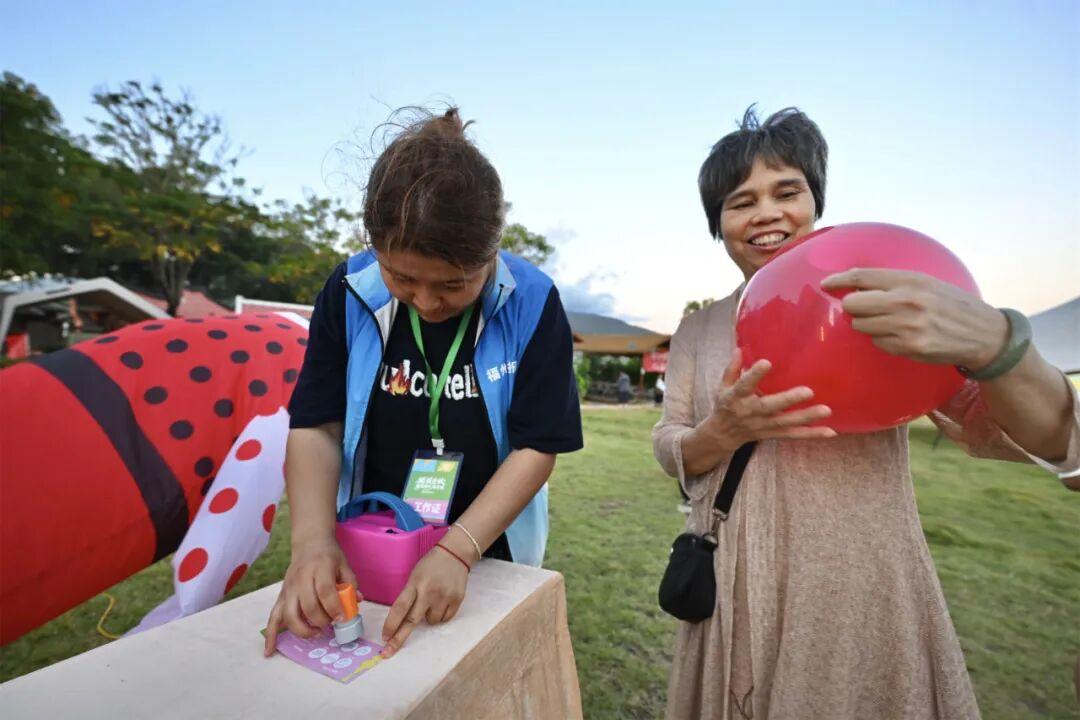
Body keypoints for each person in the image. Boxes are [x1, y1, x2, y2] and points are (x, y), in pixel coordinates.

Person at [652, 106, 1080, 719]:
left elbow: (1001, 431)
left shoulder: (876, 296)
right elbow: (669, 443)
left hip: (863, 575)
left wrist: (994, 349)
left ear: (816, 202)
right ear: (719, 225)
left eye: (787, 191)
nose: (766, 213)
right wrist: (722, 431)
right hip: (741, 574)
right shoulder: (698, 328)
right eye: (740, 202)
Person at [263, 108, 583, 659]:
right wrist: (312, 543)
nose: (429, 303)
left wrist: (459, 551)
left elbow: (538, 444)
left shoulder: (533, 301)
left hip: (487, 545)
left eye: (454, 285)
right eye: (403, 278)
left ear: (492, 256)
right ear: (375, 246)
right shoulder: (348, 290)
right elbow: (315, 422)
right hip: (372, 534)